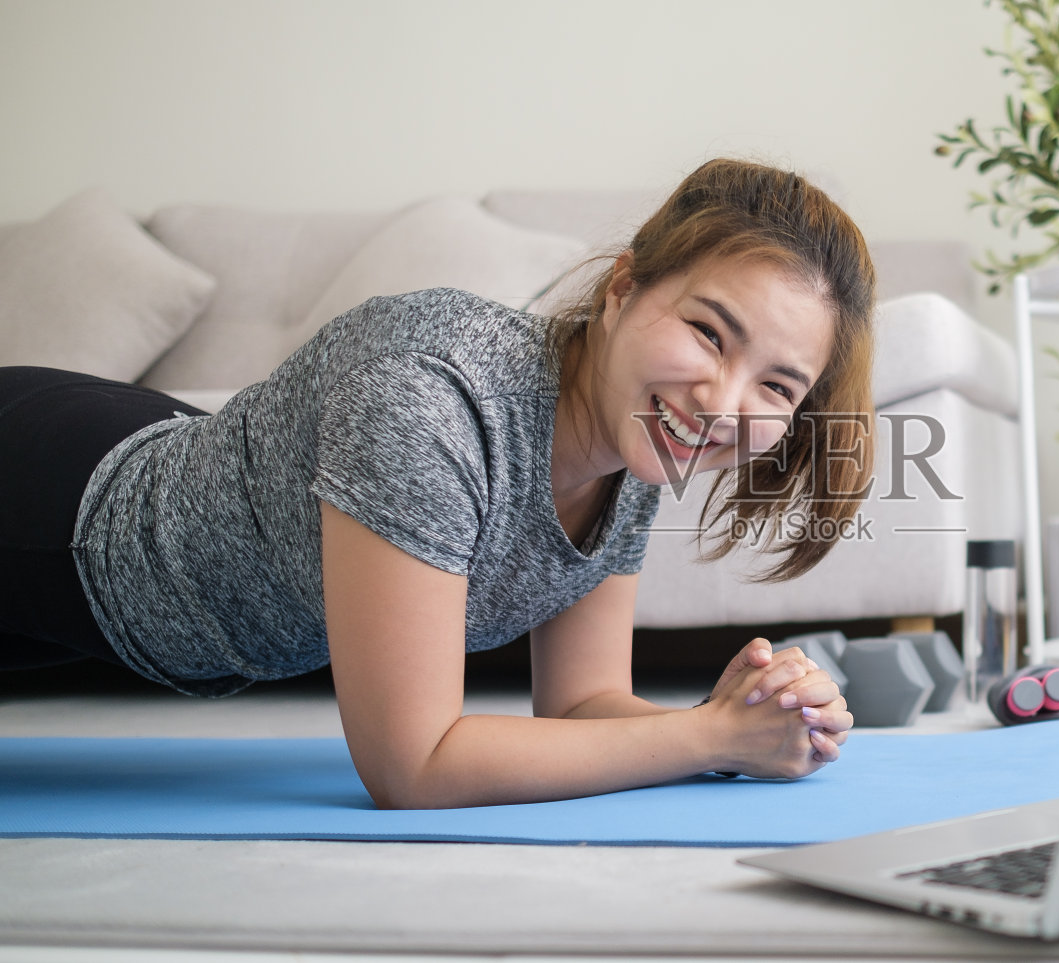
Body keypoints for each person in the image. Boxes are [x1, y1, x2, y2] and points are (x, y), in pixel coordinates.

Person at [0, 158, 876, 809]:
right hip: (61, 511)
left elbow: (578, 704)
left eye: (776, 384)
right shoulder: (428, 396)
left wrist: (738, 721)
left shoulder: (638, 439)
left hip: (137, 536)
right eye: (710, 333)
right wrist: (707, 737)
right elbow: (411, 765)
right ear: (623, 287)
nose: (722, 402)